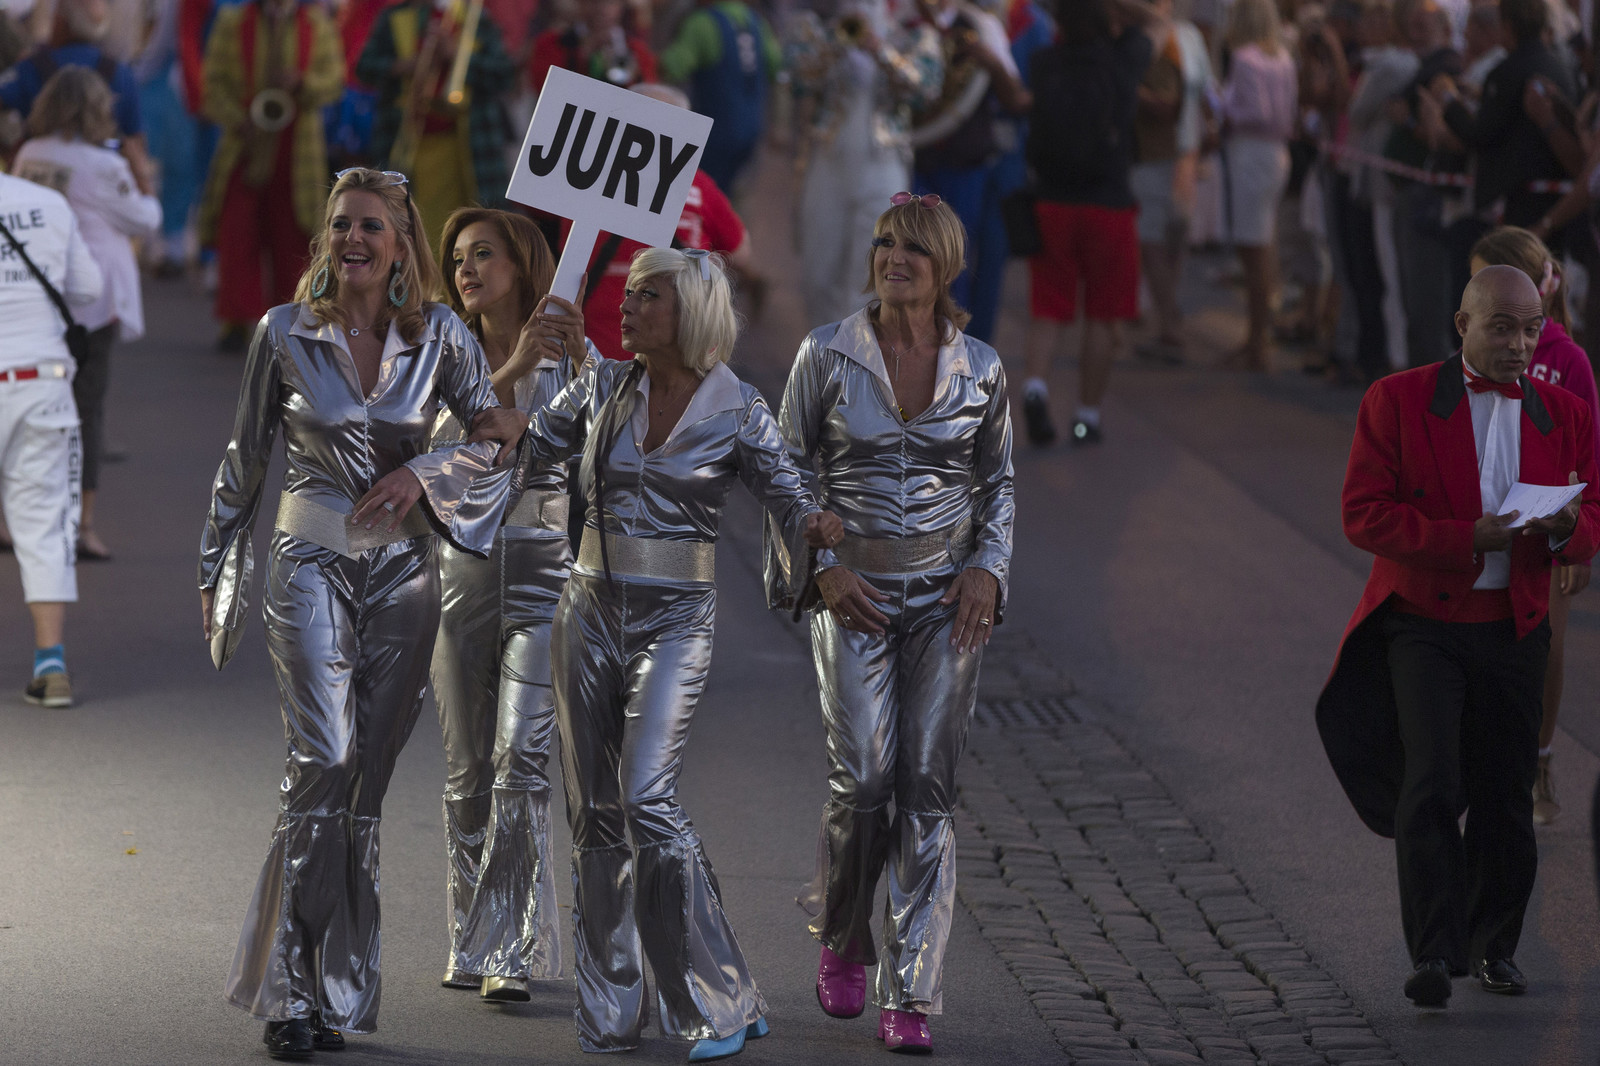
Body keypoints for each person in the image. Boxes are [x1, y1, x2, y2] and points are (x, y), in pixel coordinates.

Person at [198, 167, 527, 1060]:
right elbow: (243, 459)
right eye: (340, 224)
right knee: (323, 760)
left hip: (406, 577)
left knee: (362, 790)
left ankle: (337, 988)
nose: (352, 238)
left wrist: (426, 473)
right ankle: (288, 991)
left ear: (399, 247)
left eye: (371, 227)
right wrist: (218, 566)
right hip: (309, 558)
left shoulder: (442, 338)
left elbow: (502, 434)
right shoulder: (283, 332)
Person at [498, 246, 840, 1060]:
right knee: (594, 820)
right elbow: (531, 448)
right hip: (586, 610)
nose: (628, 304)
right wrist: (507, 386)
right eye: (631, 292)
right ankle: (612, 1009)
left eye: (648, 296)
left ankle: (721, 997)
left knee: (647, 798)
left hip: (677, 619)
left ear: (691, 313)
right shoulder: (604, 385)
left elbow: (793, 496)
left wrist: (820, 539)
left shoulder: (737, 408)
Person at [768, 195, 1014, 1054]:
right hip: (855, 594)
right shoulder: (827, 355)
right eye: (882, 244)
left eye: (911, 247)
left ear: (945, 266)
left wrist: (989, 567)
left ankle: (912, 991)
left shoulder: (981, 367)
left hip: (947, 600)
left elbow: (999, 483)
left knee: (926, 787)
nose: (892, 258)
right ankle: (841, 933)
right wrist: (823, 566)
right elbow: (783, 464)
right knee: (866, 779)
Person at [1316, 264, 1600, 1008]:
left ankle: (1494, 947)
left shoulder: (1566, 412)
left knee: (1506, 793)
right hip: (1425, 624)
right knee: (1433, 783)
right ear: (1462, 324)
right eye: (1502, 326)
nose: (1519, 343)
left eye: (1532, 327)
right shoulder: (1397, 399)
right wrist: (1461, 537)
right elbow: (1363, 514)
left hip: (1517, 628)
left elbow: (1592, 514)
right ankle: (1435, 953)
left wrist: (1572, 527)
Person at [429, 206, 592, 998]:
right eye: (457, 256)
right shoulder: (441, 352)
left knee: (520, 760)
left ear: (523, 266)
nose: (465, 268)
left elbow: (603, 451)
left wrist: (554, 361)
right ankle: (471, 928)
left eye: (483, 254)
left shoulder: (572, 360)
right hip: (458, 574)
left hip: (545, 572)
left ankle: (512, 948)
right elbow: (427, 449)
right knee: (465, 769)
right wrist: (508, 365)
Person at [1468, 227, 1600, 826]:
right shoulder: (1473, 353)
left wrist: (1578, 549)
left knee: (1545, 644)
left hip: (1546, 532)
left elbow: (1589, 460)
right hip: (1491, 526)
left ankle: (1540, 757)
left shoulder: (1566, 360)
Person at [13, 66, 161, 563]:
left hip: (34, 294)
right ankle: (81, 526)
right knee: (85, 412)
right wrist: (143, 176)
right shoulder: (103, 165)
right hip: (89, 301)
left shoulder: (31, 154)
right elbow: (146, 218)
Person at [1018, 0, 1156, 446]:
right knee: (1101, 313)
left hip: (1052, 201)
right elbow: (1152, 22)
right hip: (1108, 203)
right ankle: (1085, 417)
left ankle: (1036, 386)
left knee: (1048, 307)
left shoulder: (1043, 64)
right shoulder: (1122, 62)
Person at [0, 163, 103, 709]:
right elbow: (89, 288)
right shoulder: (48, 204)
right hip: (39, 382)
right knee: (44, 520)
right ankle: (50, 664)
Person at [197, 0, 344, 352]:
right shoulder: (232, 22)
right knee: (237, 234)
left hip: (297, 150)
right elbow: (212, 85)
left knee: (294, 236)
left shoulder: (318, 24)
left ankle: (290, 320)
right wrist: (238, 119)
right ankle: (235, 320)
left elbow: (334, 79)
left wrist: (302, 82)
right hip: (245, 146)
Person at [786, 0, 942, 327]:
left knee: (871, 275)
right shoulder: (818, 22)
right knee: (817, 273)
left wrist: (881, 50)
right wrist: (836, 41)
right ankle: (822, 357)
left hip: (883, 165)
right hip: (829, 160)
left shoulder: (914, 31)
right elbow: (799, 77)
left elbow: (925, 90)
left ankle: (855, 365)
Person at [577, 83, 754, 361]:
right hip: (675, 365)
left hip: (590, 356)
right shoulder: (698, 187)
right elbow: (742, 254)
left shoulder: (582, 177)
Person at [907, 0, 1030, 343]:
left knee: (953, 267)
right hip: (916, 159)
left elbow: (1014, 96)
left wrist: (988, 59)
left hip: (963, 166)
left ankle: (954, 354)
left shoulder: (981, 25)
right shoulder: (907, 20)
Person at [357, 0, 516, 255]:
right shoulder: (394, 17)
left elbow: (503, 74)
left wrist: (456, 54)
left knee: (470, 231)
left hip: (467, 152)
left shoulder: (478, 18)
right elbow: (364, 67)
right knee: (415, 235)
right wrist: (406, 65)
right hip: (408, 143)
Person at [0, 0, 154, 196]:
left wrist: (8, 152)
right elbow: (135, 140)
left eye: (56, 15)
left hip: (38, 182)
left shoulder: (32, 67)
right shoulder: (120, 73)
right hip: (103, 188)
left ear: (63, 21)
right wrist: (140, 179)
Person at [1216, 0, 1296, 371]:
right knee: (1262, 245)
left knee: (1255, 250)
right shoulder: (1282, 56)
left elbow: (1256, 112)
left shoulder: (1246, 58)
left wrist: (1221, 105)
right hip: (1276, 153)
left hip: (1252, 152)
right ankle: (1255, 336)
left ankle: (1257, 341)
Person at [1130, 0, 1210, 365]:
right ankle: (1166, 321)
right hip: (1168, 150)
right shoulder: (1168, 35)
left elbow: (1190, 97)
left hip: (1175, 149)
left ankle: (1169, 323)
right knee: (1160, 240)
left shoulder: (1182, 37)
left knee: (1164, 241)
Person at [657, 0, 781, 193]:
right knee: (728, 195)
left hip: (714, 134)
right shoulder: (755, 21)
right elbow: (775, 65)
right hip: (752, 130)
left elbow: (674, 67)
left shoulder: (701, 23)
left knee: (698, 194)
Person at [528, 0, 657, 90]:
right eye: (595, 1)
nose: (602, 9)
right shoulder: (553, 42)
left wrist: (631, 74)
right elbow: (543, 86)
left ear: (621, 7)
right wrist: (582, 55)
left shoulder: (637, 50)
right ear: (581, 4)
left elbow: (648, 96)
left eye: (611, 2)